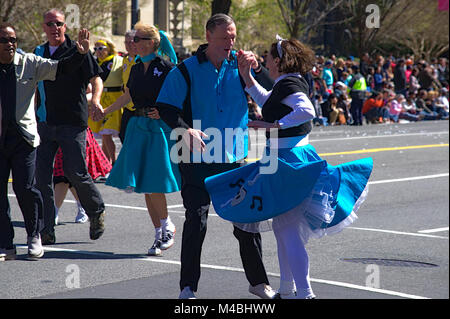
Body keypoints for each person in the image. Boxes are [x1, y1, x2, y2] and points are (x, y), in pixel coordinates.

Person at [204, 37, 373, 299]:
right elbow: (266, 100)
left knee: (287, 229)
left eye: (270, 57)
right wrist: (247, 76)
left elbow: (306, 110)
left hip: (289, 159)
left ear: (279, 61)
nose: (267, 61)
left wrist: (274, 126)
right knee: (284, 228)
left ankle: (304, 293)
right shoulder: (287, 82)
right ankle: (287, 289)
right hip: (282, 157)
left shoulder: (291, 82)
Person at [155, 13, 275, 299]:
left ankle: (258, 282)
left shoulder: (242, 65)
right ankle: (188, 287)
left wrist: (255, 72)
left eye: (233, 37)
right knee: (196, 221)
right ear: (208, 36)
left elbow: (272, 93)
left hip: (234, 157)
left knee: (246, 222)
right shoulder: (185, 70)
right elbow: (166, 108)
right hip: (196, 159)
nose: (230, 42)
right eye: (224, 38)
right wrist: (185, 130)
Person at [0, 22, 92, 260]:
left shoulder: (29, 62)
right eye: (4, 40)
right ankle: (6, 244)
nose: (10, 44)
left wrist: (80, 53)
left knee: (27, 189)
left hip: (24, 138)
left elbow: (61, 68)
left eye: (13, 40)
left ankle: (34, 235)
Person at [93, 22, 180, 256]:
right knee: (143, 184)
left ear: (151, 43)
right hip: (137, 126)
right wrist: (106, 111)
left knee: (153, 181)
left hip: (158, 129)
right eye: (133, 39)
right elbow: (128, 96)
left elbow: (179, 97)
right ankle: (159, 232)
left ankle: (167, 225)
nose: (133, 43)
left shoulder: (167, 67)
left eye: (138, 39)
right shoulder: (135, 66)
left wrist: (165, 111)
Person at [35, 8, 106, 245]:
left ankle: (95, 211)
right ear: (44, 27)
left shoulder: (79, 49)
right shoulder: (39, 52)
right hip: (45, 122)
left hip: (73, 122)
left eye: (59, 24)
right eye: (50, 24)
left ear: (65, 27)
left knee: (76, 172)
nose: (54, 28)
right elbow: (35, 88)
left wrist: (95, 100)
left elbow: (96, 78)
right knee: (42, 177)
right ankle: (47, 228)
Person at [88, 38, 124, 165]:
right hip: (100, 99)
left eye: (101, 48)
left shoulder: (118, 61)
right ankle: (106, 164)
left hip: (115, 99)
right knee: (104, 134)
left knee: (106, 133)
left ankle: (113, 163)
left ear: (108, 49)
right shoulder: (94, 63)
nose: (98, 51)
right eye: (95, 48)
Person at [119, 30, 138, 144]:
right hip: (127, 105)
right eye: (126, 42)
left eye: (131, 42)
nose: (128, 45)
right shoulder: (125, 60)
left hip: (138, 105)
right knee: (123, 135)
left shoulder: (141, 60)